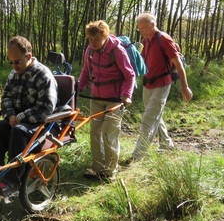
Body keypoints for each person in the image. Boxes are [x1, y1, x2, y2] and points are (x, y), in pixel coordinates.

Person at [0, 36, 58, 195]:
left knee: (18, 131)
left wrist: (20, 117)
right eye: (11, 62)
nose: (14, 66)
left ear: (28, 56)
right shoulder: (13, 74)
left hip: (40, 124)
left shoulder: (43, 75)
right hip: (17, 121)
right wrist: (10, 115)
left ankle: (12, 181)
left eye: (17, 61)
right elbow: (6, 98)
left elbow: (46, 108)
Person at [78, 21, 135, 180]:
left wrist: (127, 95)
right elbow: (85, 71)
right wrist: (77, 89)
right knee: (95, 133)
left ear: (105, 36)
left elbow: (130, 75)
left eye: (96, 39)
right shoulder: (90, 50)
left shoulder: (117, 51)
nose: (92, 42)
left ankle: (110, 170)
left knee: (109, 134)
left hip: (114, 100)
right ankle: (98, 168)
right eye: (90, 39)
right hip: (96, 97)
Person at [131, 13, 192, 161]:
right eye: (139, 29)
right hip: (148, 84)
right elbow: (143, 60)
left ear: (152, 25)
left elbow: (178, 65)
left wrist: (185, 87)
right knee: (155, 116)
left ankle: (137, 157)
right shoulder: (146, 40)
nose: (141, 32)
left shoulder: (164, 39)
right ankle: (166, 145)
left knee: (148, 119)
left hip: (162, 84)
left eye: (143, 28)